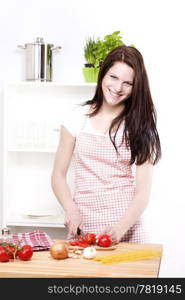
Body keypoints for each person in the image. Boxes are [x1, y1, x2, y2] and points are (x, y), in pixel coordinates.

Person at [51, 45, 161, 244]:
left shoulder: (141, 125)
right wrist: (71, 209)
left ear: (136, 86)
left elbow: (143, 192)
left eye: (128, 83)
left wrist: (119, 229)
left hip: (126, 226)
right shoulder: (76, 117)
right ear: (103, 74)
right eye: (113, 77)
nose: (118, 88)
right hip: (83, 223)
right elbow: (58, 175)